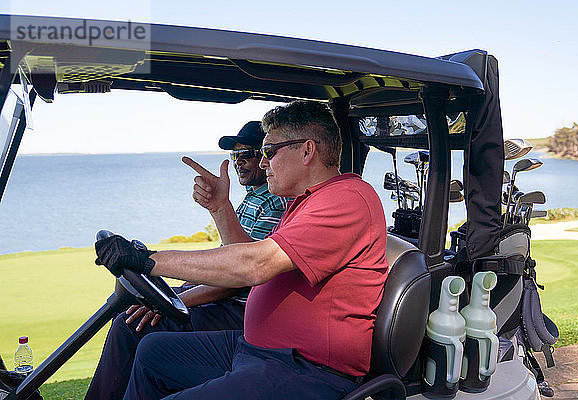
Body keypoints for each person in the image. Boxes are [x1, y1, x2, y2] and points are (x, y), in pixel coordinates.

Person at [94, 101, 389, 400]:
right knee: (151, 350)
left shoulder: (346, 199)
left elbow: (256, 265)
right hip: (258, 349)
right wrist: (221, 207)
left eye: (269, 152)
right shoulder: (306, 201)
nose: (262, 164)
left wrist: (147, 260)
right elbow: (253, 255)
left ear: (307, 150)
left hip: (307, 369)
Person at [85, 121, 287, 400]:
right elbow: (225, 261)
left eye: (248, 154)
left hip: (241, 309)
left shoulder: (275, 204)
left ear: (267, 159)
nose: (240, 162)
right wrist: (176, 290)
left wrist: (176, 302)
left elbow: (239, 276)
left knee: (130, 326)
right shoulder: (253, 199)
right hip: (230, 298)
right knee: (134, 310)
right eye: (235, 156)